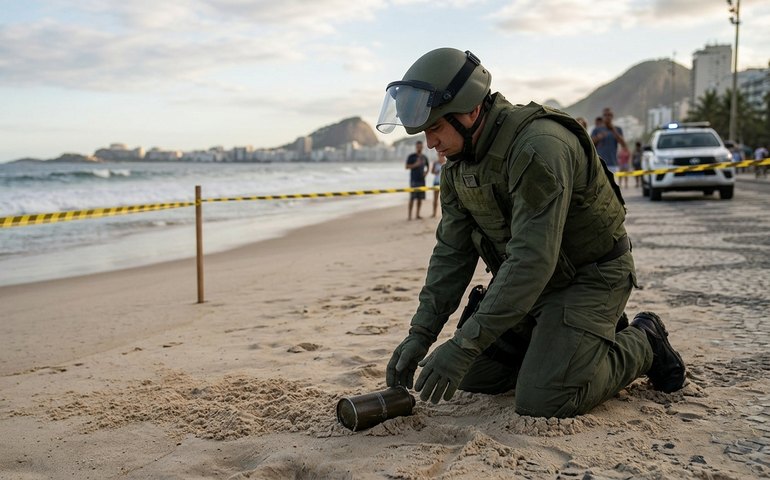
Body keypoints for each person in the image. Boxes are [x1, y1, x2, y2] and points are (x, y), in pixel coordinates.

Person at [376, 48, 685, 418]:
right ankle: (563, 344)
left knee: (543, 399)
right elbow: (451, 255)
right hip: (533, 288)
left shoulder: (539, 147)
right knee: (473, 376)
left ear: (471, 110)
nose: (430, 144)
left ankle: (644, 339)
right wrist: (421, 334)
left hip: (590, 278)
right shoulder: (460, 166)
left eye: (436, 127)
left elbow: (531, 260)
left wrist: (464, 344)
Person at [405, 141, 429, 220]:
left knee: (420, 199)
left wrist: (426, 172)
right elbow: (406, 166)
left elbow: (428, 167)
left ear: (422, 147)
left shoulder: (424, 157)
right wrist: (415, 164)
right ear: (416, 147)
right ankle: (409, 216)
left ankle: (417, 215)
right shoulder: (412, 156)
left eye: (421, 147)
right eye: (418, 146)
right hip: (414, 181)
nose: (419, 148)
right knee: (412, 198)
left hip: (422, 180)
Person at [431, 152, 446, 218]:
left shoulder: (446, 162)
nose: (440, 155)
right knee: (435, 199)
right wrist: (435, 172)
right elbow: (432, 172)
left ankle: (445, 214)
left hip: (444, 182)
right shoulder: (435, 162)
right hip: (436, 182)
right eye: (438, 154)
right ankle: (434, 213)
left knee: (445, 199)